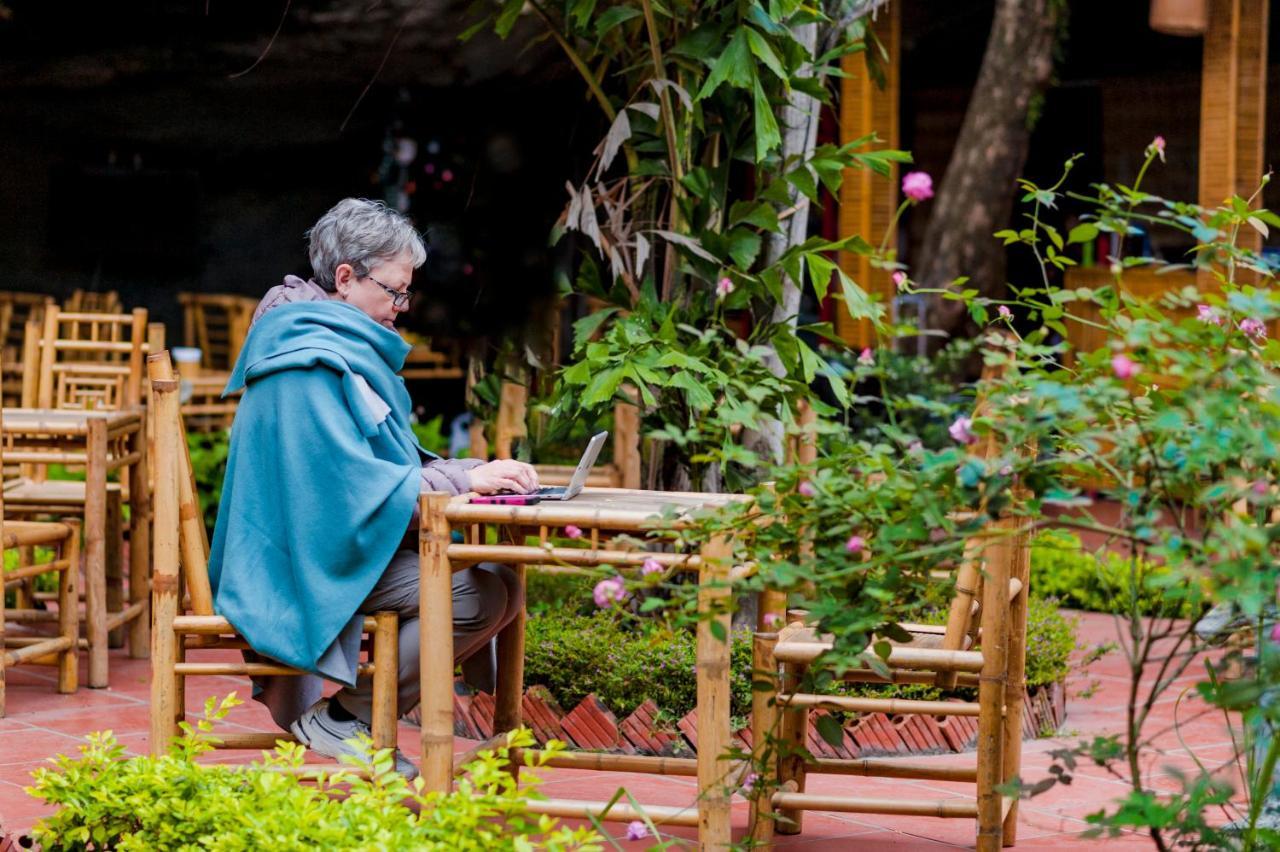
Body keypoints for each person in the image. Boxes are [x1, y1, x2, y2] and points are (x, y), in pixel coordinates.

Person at [209, 198, 538, 777]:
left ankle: (355, 716)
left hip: (325, 548)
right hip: (297, 563)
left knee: (501, 584)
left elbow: (366, 469)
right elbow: (351, 495)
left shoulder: (319, 340)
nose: (401, 308)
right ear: (344, 277)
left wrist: (467, 470)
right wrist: (463, 478)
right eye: (394, 291)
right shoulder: (306, 360)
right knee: (477, 595)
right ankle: (346, 716)